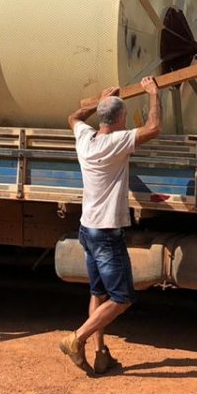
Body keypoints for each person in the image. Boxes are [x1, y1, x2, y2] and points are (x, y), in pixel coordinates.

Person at [58, 76, 162, 375]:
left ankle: (101, 353)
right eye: (125, 116)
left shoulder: (85, 138)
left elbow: (73, 117)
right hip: (105, 233)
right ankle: (77, 339)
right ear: (120, 119)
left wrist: (96, 102)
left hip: (87, 229)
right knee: (122, 298)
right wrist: (153, 94)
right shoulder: (115, 142)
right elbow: (154, 128)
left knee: (99, 293)